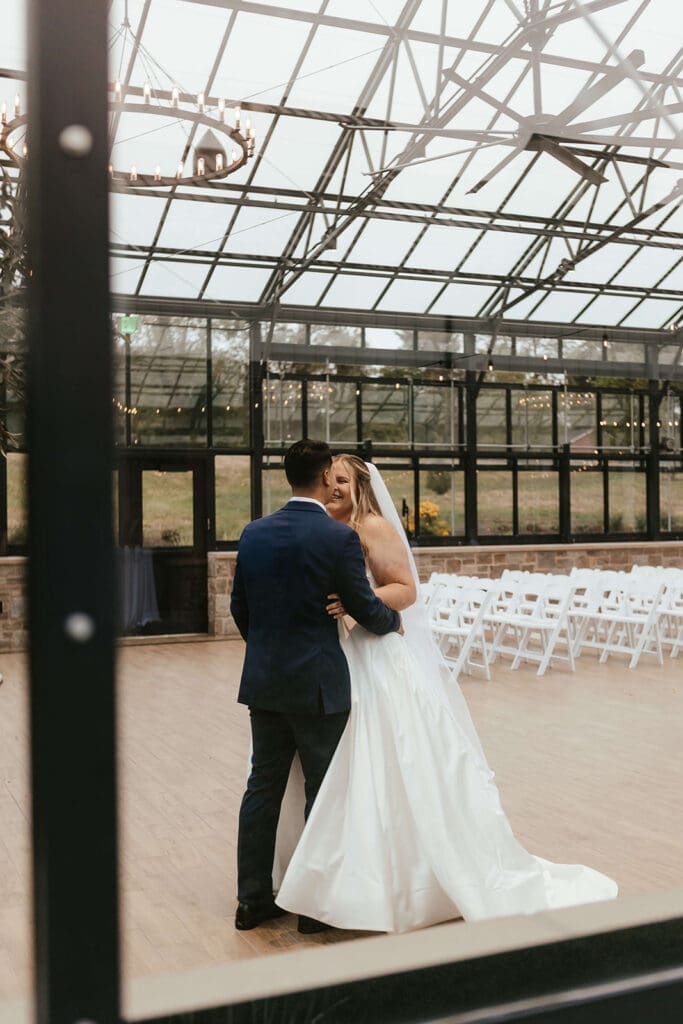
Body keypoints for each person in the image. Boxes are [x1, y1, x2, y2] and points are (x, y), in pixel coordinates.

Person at [274, 454, 618, 932]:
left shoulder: (371, 526)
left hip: (373, 654)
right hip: (333, 658)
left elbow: (405, 589)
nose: (333, 488)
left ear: (361, 487)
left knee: (389, 760)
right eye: (329, 481)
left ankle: (389, 880)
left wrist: (358, 602)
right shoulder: (321, 529)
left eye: (343, 482)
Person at [230, 440, 401, 934]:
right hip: (319, 685)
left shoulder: (253, 533)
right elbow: (363, 606)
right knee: (321, 794)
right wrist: (391, 621)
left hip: (264, 682)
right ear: (327, 474)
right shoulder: (335, 538)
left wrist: (269, 650)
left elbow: (241, 608)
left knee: (262, 788)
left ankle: (252, 900)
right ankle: (312, 908)